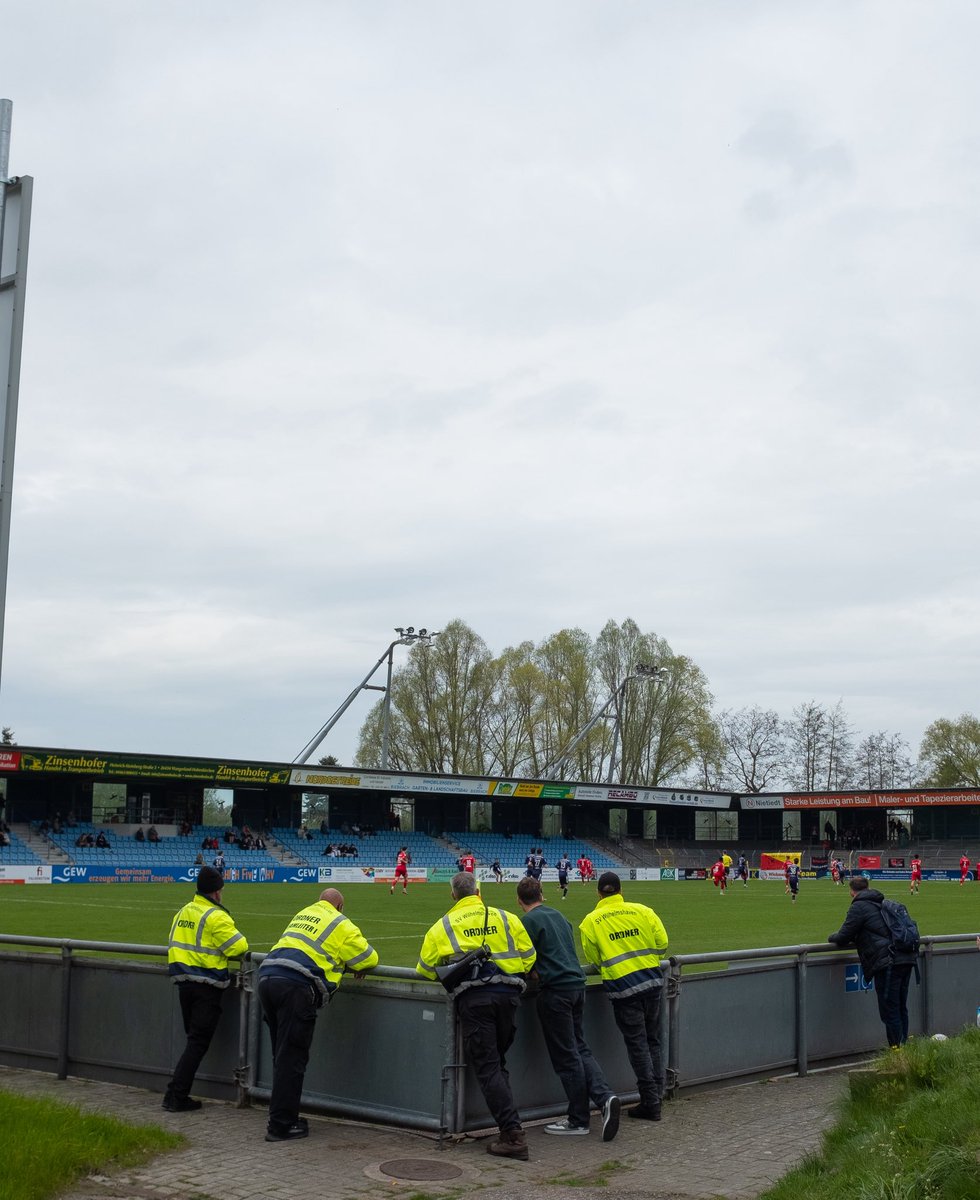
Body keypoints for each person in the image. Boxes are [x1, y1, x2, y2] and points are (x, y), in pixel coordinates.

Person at [416, 871, 536, 1160]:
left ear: (453, 895)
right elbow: (529, 956)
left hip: (475, 1002)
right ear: (479, 892)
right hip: (509, 997)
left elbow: (424, 968)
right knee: (497, 1063)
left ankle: (513, 1135)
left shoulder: (442, 926)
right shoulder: (507, 917)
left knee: (489, 1066)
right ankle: (511, 1127)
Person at [258, 888, 378, 1141]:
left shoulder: (303, 913)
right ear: (340, 906)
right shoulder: (341, 923)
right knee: (292, 1058)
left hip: (267, 978)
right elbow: (368, 957)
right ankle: (281, 1125)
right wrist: (349, 964)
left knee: (281, 1056)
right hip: (295, 986)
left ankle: (282, 1115)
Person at [516, 876, 619, 1140]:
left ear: (519, 900)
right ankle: (605, 1097)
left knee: (566, 1056)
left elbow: (524, 958)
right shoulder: (560, 916)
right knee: (580, 1048)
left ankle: (578, 1119)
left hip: (556, 991)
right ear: (542, 894)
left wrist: (535, 973)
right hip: (576, 986)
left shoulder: (527, 922)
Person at [579, 872, 669, 1122]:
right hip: (652, 982)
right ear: (621, 891)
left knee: (638, 1046)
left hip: (624, 988)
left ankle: (651, 1102)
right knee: (653, 1041)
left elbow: (593, 959)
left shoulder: (591, 921)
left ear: (599, 893)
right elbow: (662, 943)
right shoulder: (643, 911)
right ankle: (657, 1095)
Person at [164, 865, 248, 1112]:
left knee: (194, 1041)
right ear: (216, 892)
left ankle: (176, 1094)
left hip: (183, 983)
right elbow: (238, 947)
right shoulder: (216, 916)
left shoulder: (184, 911)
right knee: (197, 1043)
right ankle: (175, 1096)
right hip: (206, 986)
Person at [828, 876, 918, 1048]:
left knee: (889, 1009)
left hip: (888, 962)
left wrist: (831, 937)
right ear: (868, 887)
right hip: (905, 958)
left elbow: (843, 936)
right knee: (900, 1006)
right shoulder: (882, 902)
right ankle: (904, 1049)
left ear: (851, 892)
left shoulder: (859, 906)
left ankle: (897, 1053)